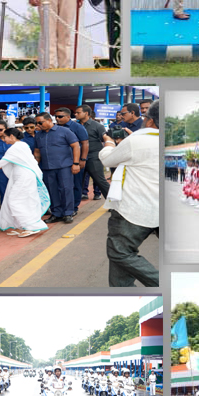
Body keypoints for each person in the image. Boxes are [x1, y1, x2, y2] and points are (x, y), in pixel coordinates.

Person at [100, 100, 160, 287]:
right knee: (121, 261)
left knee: (120, 253)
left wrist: (109, 143)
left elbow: (108, 159)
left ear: (149, 121)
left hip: (133, 210)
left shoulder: (137, 140)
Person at [34, 112, 80, 223]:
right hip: (47, 167)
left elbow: (76, 146)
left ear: (49, 120)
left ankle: (68, 213)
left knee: (66, 189)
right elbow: (37, 151)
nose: (38, 125)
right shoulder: (39, 134)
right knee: (52, 190)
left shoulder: (64, 131)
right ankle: (56, 213)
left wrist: (76, 163)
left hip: (64, 166)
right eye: (37, 123)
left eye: (41, 122)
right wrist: (35, 164)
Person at [53, 108, 88, 214]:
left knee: (76, 184)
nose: (57, 119)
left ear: (68, 117)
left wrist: (82, 159)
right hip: (62, 161)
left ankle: (74, 207)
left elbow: (85, 143)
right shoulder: (55, 128)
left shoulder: (77, 127)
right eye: (56, 117)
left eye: (60, 116)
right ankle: (64, 207)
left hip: (75, 160)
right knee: (63, 186)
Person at [74, 105, 108, 200]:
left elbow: (105, 140)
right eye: (75, 113)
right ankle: (73, 207)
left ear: (86, 113)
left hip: (93, 157)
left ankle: (114, 204)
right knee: (76, 183)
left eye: (78, 112)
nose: (75, 114)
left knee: (100, 181)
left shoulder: (98, 126)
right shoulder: (74, 126)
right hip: (77, 157)